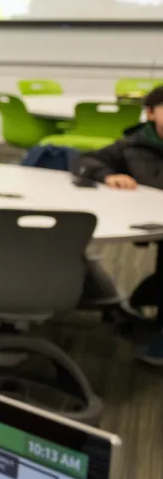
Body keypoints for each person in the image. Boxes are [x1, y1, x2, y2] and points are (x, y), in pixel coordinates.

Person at [72, 85, 163, 363]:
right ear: (150, 114)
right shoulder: (132, 146)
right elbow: (84, 161)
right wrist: (107, 176)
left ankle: (148, 301)